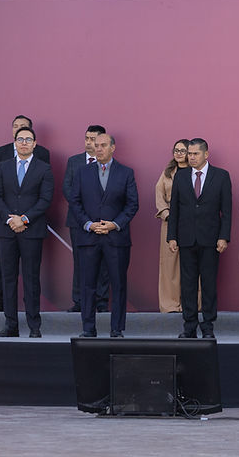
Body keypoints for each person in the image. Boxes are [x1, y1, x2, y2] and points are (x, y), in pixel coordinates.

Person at [67, 133, 139, 338]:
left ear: (113, 148)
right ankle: (88, 328)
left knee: (118, 284)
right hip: (89, 238)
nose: (98, 149)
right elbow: (75, 202)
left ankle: (116, 329)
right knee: (87, 285)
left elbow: (132, 204)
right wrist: (88, 224)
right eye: (95, 145)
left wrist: (114, 224)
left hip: (116, 238)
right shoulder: (82, 172)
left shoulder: (126, 172)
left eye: (103, 145)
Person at [0, 126, 53, 337]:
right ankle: (11, 325)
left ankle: (34, 326)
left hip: (31, 230)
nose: (24, 142)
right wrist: (11, 219)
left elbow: (45, 199)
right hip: (6, 230)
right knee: (8, 279)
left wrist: (24, 219)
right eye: (20, 139)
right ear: (14, 142)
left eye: (28, 139)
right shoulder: (2, 167)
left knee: (31, 278)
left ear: (35, 143)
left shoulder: (43, 168)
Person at [167, 138, 232, 339]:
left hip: (211, 239)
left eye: (195, 153)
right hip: (186, 239)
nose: (191, 157)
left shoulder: (221, 176)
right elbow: (175, 208)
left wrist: (224, 237)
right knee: (188, 284)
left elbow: (227, 211)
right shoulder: (181, 176)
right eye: (189, 153)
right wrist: (172, 237)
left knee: (209, 284)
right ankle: (189, 326)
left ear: (206, 154)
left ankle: (208, 326)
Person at [64, 125, 109, 313]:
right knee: (80, 260)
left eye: (94, 139)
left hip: (103, 222)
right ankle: (80, 300)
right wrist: (85, 214)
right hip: (78, 220)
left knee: (103, 262)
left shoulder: (109, 163)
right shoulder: (74, 162)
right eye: (87, 138)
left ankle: (100, 301)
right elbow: (68, 188)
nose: (89, 143)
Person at [154, 138, 189, 313]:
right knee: (169, 265)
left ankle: (191, 303)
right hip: (170, 223)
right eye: (176, 150)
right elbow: (159, 194)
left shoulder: (195, 172)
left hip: (191, 224)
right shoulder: (168, 173)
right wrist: (167, 215)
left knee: (191, 264)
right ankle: (170, 304)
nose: (179, 153)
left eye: (183, 150)